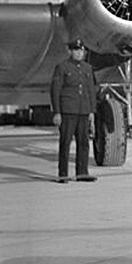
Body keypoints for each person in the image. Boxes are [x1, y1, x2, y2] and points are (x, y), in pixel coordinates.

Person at [50, 38, 99, 184]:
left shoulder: (87, 68)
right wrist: (57, 112)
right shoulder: (62, 67)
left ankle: (82, 172)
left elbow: (91, 90)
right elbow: (55, 90)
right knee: (65, 142)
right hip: (68, 110)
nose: (79, 53)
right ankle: (63, 173)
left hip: (83, 110)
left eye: (81, 50)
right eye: (76, 50)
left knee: (83, 142)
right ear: (70, 51)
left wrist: (91, 111)